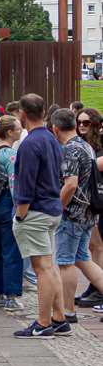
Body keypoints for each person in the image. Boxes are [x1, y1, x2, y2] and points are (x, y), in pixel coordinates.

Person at [12, 93, 66, 338]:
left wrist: (20, 216)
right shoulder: (52, 139)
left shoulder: (30, 143)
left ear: (22, 114)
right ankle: (59, 317)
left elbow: (26, 183)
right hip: (52, 208)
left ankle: (43, 324)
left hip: (35, 211)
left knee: (41, 268)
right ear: (44, 112)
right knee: (50, 266)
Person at [52, 108, 103, 329]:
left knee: (65, 262)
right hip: (88, 213)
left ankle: (67, 311)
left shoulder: (71, 150)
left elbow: (70, 184)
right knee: (83, 258)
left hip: (72, 214)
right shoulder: (87, 147)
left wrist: (57, 208)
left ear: (55, 128)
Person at [0, 115, 26, 313]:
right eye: (18, 128)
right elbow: (14, 185)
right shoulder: (11, 154)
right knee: (12, 252)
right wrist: (20, 210)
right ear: (10, 132)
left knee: (0, 250)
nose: (21, 130)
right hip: (6, 205)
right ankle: (12, 296)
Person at [77, 107, 103, 307]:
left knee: (98, 246)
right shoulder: (82, 143)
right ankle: (95, 286)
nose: (82, 126)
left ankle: (98, 288)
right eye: (79, 122)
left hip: (98, 197)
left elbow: (95, 164)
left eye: (86, 123)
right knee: (93, 245)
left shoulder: (98, 144)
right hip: (88, 198)